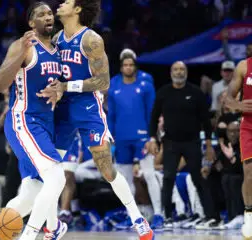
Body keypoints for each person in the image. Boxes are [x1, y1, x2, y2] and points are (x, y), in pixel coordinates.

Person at [42, 0, 153, 238]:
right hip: (62, 111)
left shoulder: (91, 40)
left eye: (67, 1)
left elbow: (103, 82)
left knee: (107, 170)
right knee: (51, 170)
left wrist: (66, 85)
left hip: (88, 109)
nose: (60, 4)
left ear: (78, 9)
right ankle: (52, 224)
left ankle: (137, 218)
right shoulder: (56, 39)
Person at [0, 2, 67, 240]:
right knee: (56, 178)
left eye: (49, 13)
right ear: (31, 23)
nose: (48, 16)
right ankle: (39, 233)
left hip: (45, 126)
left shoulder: (58, 49)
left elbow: (61, 85)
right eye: (41, 14)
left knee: (32, 192)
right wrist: (20, 54)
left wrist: (61, 89)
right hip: (23, 120)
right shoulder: (23, 46)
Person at [147, 61, 217, 227]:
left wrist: (208, 144)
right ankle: (168, 217)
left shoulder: (196, 92)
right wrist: (152, 139)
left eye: (182, 69)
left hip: (192, 142)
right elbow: (154, 117)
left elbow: (206, 121)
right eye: (176, 69)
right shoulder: (163, 92)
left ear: (186, 72)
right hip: (170, 142)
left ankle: (211, 216)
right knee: (168, 177)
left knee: (198, 178)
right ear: (171, 72)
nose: (179, 72)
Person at [108, 54, 163, 229]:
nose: (128, 68)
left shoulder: (146, 87)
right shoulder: (113, 88)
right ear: (121, 67)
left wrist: (152, 137)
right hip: (122, 139)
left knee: (149, 174)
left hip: (142, 138)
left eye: (131, 65)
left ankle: (159, 214)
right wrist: (109, 137)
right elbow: (111, 116)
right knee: (124, 180)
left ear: (135, 67)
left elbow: (151, 113)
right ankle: (132, 216)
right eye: (125, 65)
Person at [225, 57, 252, 239]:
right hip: (249, 125)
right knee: (249, 171)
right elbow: (227, 98)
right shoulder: (244, 66)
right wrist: (237, 105)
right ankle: (249, 215)